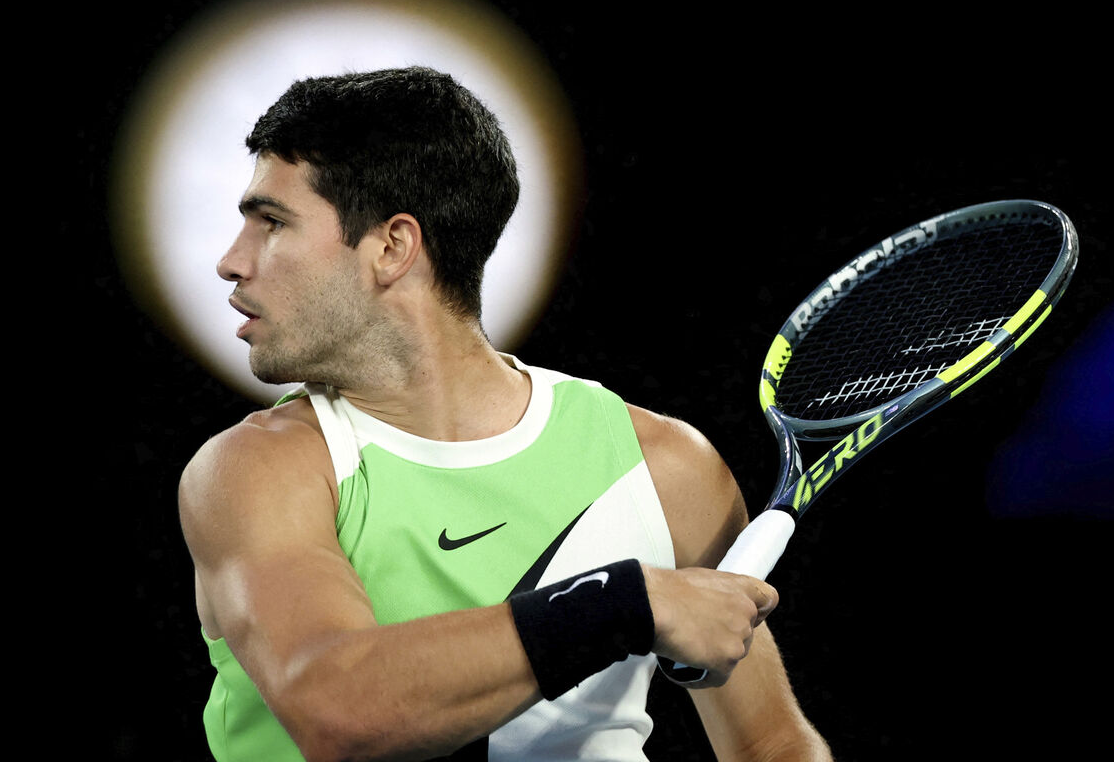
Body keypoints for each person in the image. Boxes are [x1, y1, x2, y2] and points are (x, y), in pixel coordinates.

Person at [179, 66, 831, 761]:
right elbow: (337, 709)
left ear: (392, 247)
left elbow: (771, 744)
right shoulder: (257, 471)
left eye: (272, 222)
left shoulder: (665, 467)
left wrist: (626, 605)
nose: (231, 261)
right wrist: (620, 605)